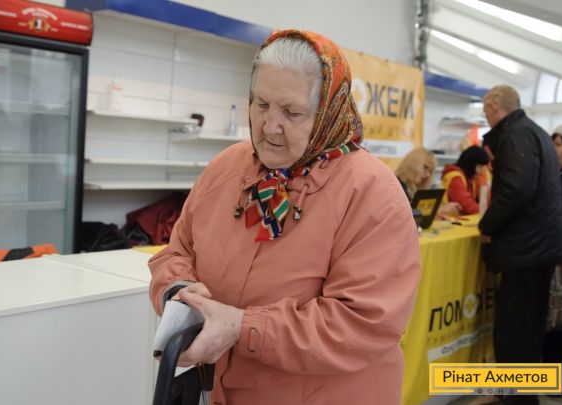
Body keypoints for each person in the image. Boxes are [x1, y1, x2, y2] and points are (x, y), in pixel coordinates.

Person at [148, 30, 421, 405]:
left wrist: (241, 327)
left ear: (328, 112)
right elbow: (176, 251)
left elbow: (362, 323)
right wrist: (179, 290)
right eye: (261, 104)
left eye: (292, 113)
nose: (269, 126)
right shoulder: (225, 168)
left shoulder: (373, 194)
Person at [479, 85, 562, 405]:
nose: (486, 118)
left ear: (494, 106)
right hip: (539, 248)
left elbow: (516, 189)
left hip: (525, 251)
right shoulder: (536, 132)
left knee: (514, 332)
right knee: (528, 330)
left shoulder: (514, 135)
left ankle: (516, 400)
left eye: (485, 112)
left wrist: (487, 225)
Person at [545, 124, 562, 396]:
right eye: (552, 143)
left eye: (560, 143)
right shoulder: (558, 178)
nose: (554, 148)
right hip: (559, 258)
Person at [395, 147, 461, 217]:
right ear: (413, 163)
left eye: (430, 171)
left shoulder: (411, 188)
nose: (428, 175)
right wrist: (439, 211)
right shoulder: (397, 185)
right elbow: (405, 215)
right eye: (425, 167)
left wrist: (436, 215)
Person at [440, 145, 490, 215]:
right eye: (480, 167)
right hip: (447, 219)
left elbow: (486, 200)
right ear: (471, 164)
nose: (483, 170)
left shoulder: (471, 177)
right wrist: (486, 208)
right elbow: (467, 207)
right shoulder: (455, 178)